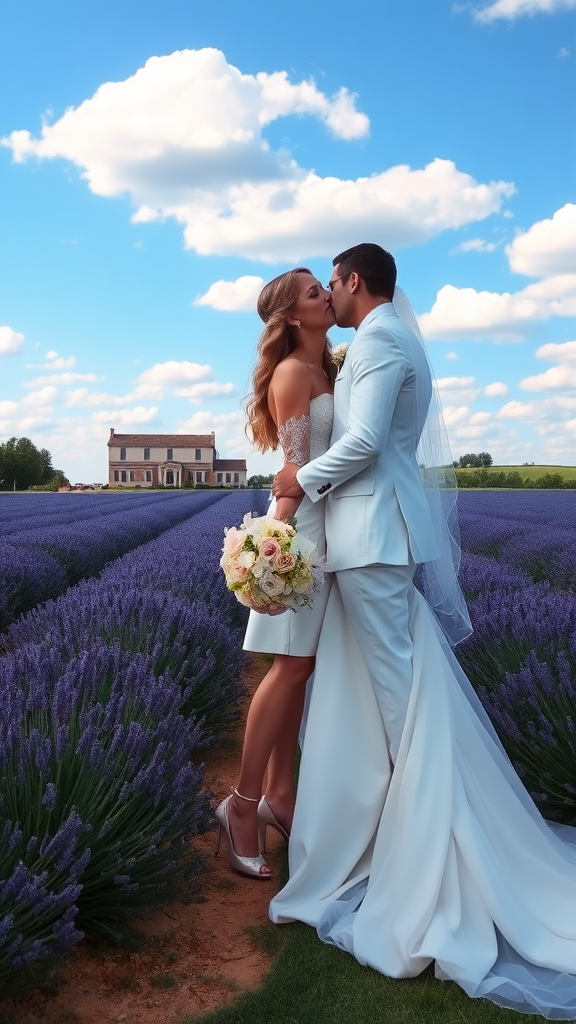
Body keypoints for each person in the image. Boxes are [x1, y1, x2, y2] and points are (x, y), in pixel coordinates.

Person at [269, 243, 576, 1019]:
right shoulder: (396, 340)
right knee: (405, 701)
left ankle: (436, 863)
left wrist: (297, 479)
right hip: (378, 539)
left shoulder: (376, 341)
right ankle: (408, 835)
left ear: (355, 284)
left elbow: (368, 442)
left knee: (404, 710)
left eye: (332, 282)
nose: (330, 295)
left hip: (373, 540)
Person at [215, 267, 335, 879]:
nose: (327, 297)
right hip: (300, 533)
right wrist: (269, 556)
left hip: (326, 532)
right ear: (292, 317)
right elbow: (293, 472)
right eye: (315, 293)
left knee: (302, 670)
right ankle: (241, 804)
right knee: (289, 670)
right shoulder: (293, 373)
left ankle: (279, 799)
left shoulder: (328, 369)